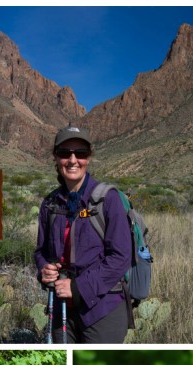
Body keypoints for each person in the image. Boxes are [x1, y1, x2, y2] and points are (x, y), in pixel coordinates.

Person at [35, 125, 134, 343]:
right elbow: (40, 251)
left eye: (80, 153)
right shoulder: (50, 204)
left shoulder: (108, 200)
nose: (72, 160)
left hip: (102, 308)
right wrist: (44, 268)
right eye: (64, 153)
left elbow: (120, 258)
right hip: (61, 310)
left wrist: (78, 287)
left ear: (88, 157)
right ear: (56, 158)